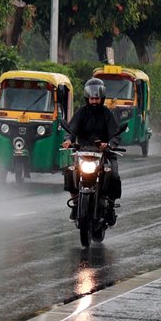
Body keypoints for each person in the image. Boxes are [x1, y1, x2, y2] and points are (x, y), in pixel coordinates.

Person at [61, 78, 123, 224]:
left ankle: (110, 205)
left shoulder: (107, 114)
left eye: (96, 98)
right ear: (87, 98)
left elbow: (115, 134)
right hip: (83, 153)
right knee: (69, 171)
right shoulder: (82, 112)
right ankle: (76, 204)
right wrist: (68, 140)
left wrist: (110, 144)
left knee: (113, 175)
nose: (94, 101)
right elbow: (72, 129)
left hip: (104, 153)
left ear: (102, 98)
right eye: (91, 98)